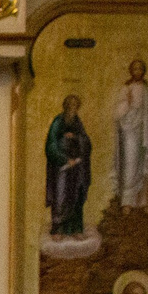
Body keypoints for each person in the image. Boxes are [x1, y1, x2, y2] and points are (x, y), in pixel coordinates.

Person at [115, 58, 148, 211]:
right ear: (131, 71)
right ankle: (127, 202)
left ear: (144, 71)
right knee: (130, 164)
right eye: (135, 69)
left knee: (144, 164)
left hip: (145, 131)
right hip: (130, 130)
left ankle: (143, 200)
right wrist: (128, 104)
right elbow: (117, 113)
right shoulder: (126, 88)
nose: (138, 71)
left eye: (140, 69)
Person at [45, 95, 93, 237]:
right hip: (61, 168)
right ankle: (58, 229)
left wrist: (76, 138)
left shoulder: (78, 123)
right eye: (70, 105)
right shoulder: (58, 122)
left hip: (77, 168)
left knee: (76, 195)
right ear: (65, 106)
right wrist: (64, 159)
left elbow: (87, 143)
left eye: (75, 106)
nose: (73, 108)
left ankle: (76, 229)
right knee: (61, 195)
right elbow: (51, 145)